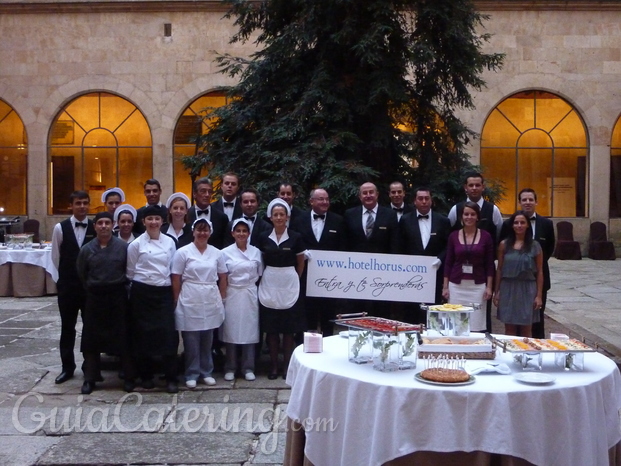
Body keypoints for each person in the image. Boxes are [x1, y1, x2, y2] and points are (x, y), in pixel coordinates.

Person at [76, 212, 131, 394]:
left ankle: (128, 376)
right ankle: (91, 378)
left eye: (107, 223)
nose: (104, 226)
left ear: (112, 225)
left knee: (123, 337)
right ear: (95, 226)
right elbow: (82, 274)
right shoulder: (86, 249)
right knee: (91, 340)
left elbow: (128, 270)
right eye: (100, 223)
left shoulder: (123, 247)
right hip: (95, 297)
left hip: (117, 297)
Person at [126, 205, 179, 393]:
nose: (154, 222)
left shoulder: (170, 242)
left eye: (157, 219)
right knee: (142, 335)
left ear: (163, 221)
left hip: (163, 292)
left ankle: (171, 377)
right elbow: (131, 272)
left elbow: (174, 269)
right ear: (143, 222)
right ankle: (146, 376)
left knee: (168, 335)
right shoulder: (136, 245)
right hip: (142, 293)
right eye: (150, 219)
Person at [171, 218, 227, 388]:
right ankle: (191, 373)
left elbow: (223, 276)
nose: (202, 233)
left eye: (205, 230)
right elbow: (176, 277)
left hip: (210, 296)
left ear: (210, 232)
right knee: (191, 338)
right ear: (193, 231)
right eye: (199, 230)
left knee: (207, 337)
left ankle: (206, 371)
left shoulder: (217, 253)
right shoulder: (183, 252)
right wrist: (176, 298)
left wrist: (222, 298)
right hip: (190, 295)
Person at [448, 172, 503, 333]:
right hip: (459, 276)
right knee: (457, 320)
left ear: (483, 187)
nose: (474, 188)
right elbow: (449, 234)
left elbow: (499, 235)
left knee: (481, 320)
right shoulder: (455, 209)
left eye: (477, 185)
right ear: (465, 188)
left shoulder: (493, 210)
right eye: (470, 185)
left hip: (481, 274)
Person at [257, 198, 306, 379]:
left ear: (287, 216)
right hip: (270, 282)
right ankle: (273, 367)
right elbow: (260, 260)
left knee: (288, 329)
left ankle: (287, 367)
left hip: (289, 284)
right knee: (271, 328)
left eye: (282, 214)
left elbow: (300, 262)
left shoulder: (296, 237)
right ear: (270, 217)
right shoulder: (263, 237)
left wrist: (294, 279)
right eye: (275, 214)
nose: (279, 217)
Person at [51, 190, 96, 384]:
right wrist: (61, 283)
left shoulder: (96, 227)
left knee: (90, 328)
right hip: (68, 288)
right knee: (67, 328)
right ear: (71, 205)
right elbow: (55, 258)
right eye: (78, 203)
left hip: (89, 288)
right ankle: (67, 367)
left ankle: (90, 367)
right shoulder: (60, 228)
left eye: (85, 203)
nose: (82, 206)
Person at [499, 188, 555, 338]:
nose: (528, 202)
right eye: (524, 200)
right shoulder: (508, 225)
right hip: (510, 284)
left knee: (535, 322)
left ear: (536, 202)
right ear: (519, 202)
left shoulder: (547, 224)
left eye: (531, 199)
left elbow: (549, 248)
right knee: (510, 324)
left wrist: (529, 263)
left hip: (534, 280)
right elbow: (502, 257)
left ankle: (534, 352)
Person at [291, 188, 346, 335]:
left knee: (328, 316)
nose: (325, 202)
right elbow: (294, 245)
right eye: (321, 199)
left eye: (327, 199)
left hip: (330, 279)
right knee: (308, 314)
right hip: (306, 276)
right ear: (311, 201)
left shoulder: (338, 221)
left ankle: (328, 346)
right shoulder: (298, 221)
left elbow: (343, 248)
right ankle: (306, 348)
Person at [343, 181, 399, 318]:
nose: (368, 195)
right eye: (365, 193)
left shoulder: (390, 215)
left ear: (377, 194)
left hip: (382, 275)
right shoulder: (349, 214)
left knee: (381, 311)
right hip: (355, 275)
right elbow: (344, 245)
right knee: (357, 312)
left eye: (371, 192)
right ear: (360, 196)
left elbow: (395, 245)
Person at [398, 187, 451, 323]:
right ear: (414, 201)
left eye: (426, 198)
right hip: (410, 276)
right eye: (420, 199)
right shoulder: (405, 220)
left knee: (433, 310)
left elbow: (448, 245)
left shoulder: (443, 221)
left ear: (431, 201)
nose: (424, 202)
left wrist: (440, 259)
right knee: (410, 311)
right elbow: (400, 246)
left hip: (435, 274)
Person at [443, 201, 495, 332]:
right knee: (455, 323)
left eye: (473, 214)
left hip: (478, 287)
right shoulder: (453, 236)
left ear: (478, 217)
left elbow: (489, 264)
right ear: (461, 217)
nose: (469, 217)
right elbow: (448, 262)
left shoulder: (486, 236)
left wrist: (489, 287)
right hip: (456, 286)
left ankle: (474, 351)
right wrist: (445, 287)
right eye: (466, 214)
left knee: (476, 323)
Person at [221, 219, 263, 381]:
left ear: (249, 233)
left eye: (244, 231)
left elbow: (260, 273)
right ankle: (230, 367)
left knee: (249, 330)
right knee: (230, 330)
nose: (241, 234)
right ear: (232, 233)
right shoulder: (224, 253)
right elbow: (222, 276)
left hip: (249, 293)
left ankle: (248, 367)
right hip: (232, 293)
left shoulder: (256, 252)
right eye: (237, 231)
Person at [494, 211, 544, 337]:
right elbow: (499, 269)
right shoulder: (504, 245)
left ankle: (526, 355)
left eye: (522, 222)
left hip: (527, 289)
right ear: (512, 225)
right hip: (508, 287)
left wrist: (538, 295)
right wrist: (497, 291)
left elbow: (539, 272)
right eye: (516, 223)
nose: (519, 225)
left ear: (528, 225)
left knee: (526, 329)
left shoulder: (535, 246)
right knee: (509, 329)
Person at [188, 177, 229, 249]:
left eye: (209, 192)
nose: (207, 195)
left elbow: (225, 243)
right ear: (194, 194)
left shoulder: (222, 217)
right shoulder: (186, 215)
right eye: (203, 191)